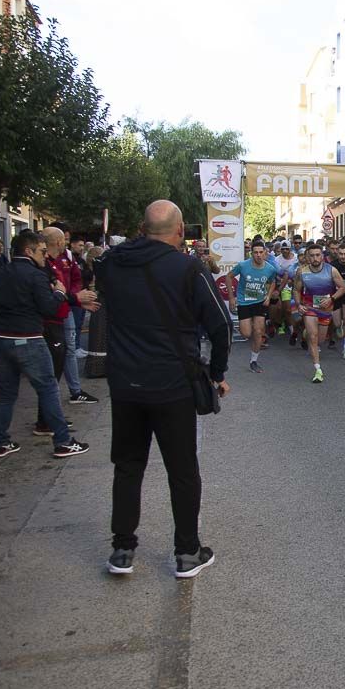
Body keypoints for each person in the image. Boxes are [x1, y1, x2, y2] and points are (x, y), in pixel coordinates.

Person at [95, 200, 231, 579]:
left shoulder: (109, 264)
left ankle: (122, 549)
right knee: (183, 470)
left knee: (127, 466)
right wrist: (217, 372)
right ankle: (187, 553)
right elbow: (220, 324)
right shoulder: (188, 268)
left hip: (124, 383)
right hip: (172, 385)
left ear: (142, 227)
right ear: (180, 231)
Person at [0, 229, 95, 459]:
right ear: (28, 250)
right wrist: (61, 295)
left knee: (6, 391)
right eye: (42, 251)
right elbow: (48, 307)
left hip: (0, 338)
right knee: (48, 388)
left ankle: (0, 441)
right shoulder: (35, 275)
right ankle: (63, 441)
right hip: (28, 337)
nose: (45, 256)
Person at [43, 227, 98, 405]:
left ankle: (75, 391)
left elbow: (76, 279)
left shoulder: (67, 257)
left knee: (70, 349)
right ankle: (49, 408)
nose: (65, 243)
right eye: (64, 240)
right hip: (50, 316)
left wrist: (75, 298)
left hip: (65, 310)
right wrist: (76, 298)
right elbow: (50, 291)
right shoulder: (42, 262)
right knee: (55, 356)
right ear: (58, 242)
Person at [294, 242, 345, 383]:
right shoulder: (301, 271)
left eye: (317, 255)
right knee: (313, 336)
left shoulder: (331, 270)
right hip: (310, 308)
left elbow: (342, 288)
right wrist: (299, 304)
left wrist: (331, 299)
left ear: (322, 256)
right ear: (307, 257)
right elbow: (296, 290)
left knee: (320, 340)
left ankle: (306, 333)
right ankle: (318, 369)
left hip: (325, 310)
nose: (315, 258)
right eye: (311, 256)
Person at [227, 240, 278, 373]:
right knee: (246, 333)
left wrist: (268, 296)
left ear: (265, 253)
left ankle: (254, 360)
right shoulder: (243, 265)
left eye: (261, 252)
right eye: (255, 252)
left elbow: (272, 282)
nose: (258, 255)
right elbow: (228, 277)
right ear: (251, 254)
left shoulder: (270, 268)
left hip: (260, 302)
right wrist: (232, 297)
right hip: (244, 302)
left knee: (258, 331)